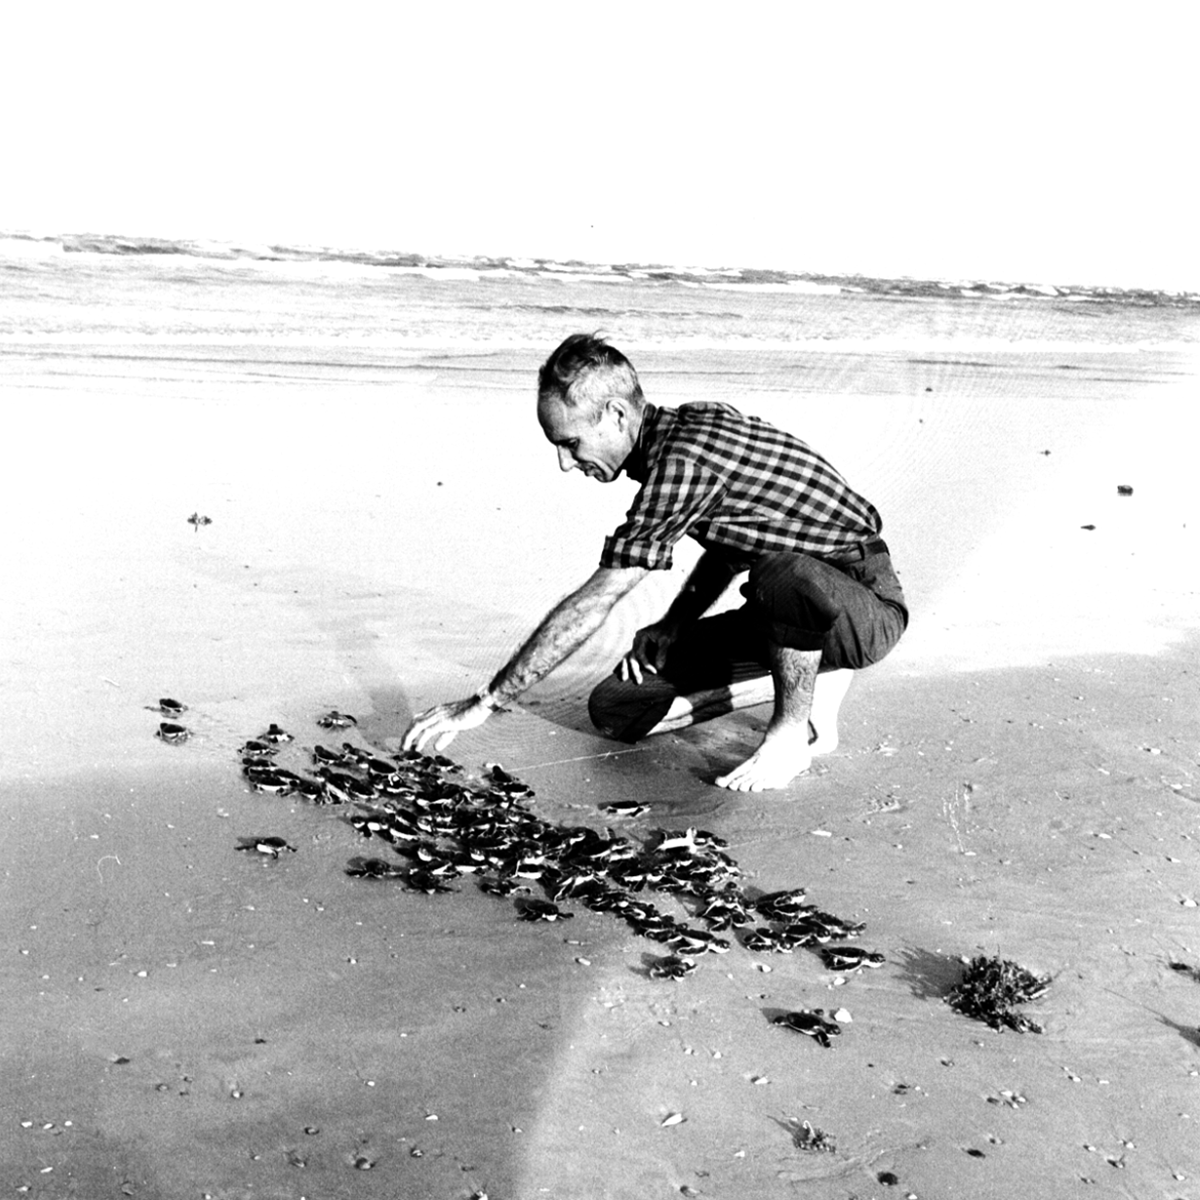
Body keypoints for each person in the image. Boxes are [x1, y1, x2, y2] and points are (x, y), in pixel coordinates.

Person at [402, 333, 908, 791]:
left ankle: (790, 733)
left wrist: (485, 702)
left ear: (618, 415)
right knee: (617, 707)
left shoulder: (682, 461)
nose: (564, 463)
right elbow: (734, 541)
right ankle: (814, 673)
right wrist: (673, 624)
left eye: (571, 443)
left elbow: (599, 599)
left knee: (784, 573)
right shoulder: (688, 428)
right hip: (784, 618)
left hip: (862, 605)